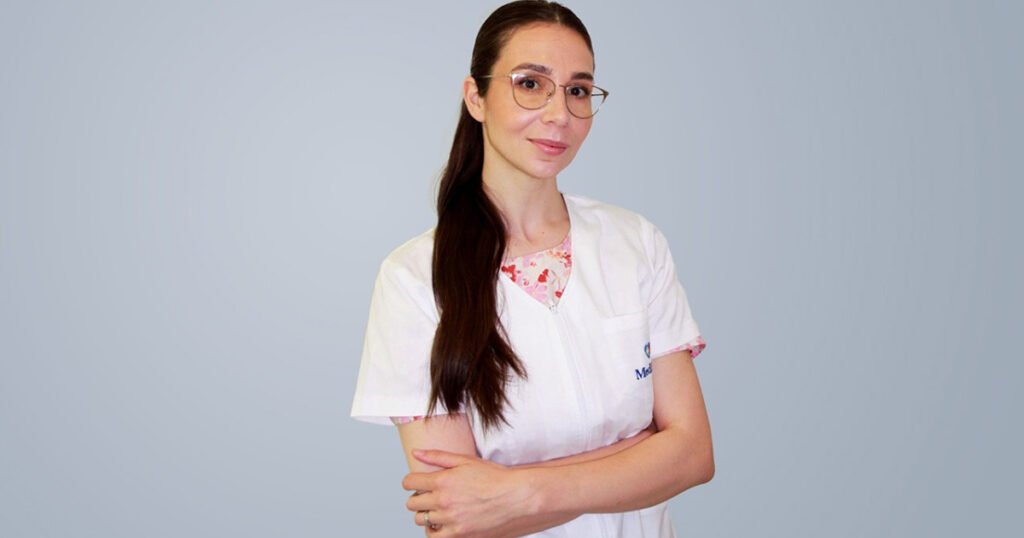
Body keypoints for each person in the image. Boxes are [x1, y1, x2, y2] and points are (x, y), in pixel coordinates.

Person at [350, 1, 714, 536]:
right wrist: (638, 455)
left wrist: (518, 490)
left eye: (577, 90)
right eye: (530, 84)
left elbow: (694, 455)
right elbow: (457, 520)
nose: (559, 114)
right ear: (475, 97)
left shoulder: (635, 243)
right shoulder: (412, 279)